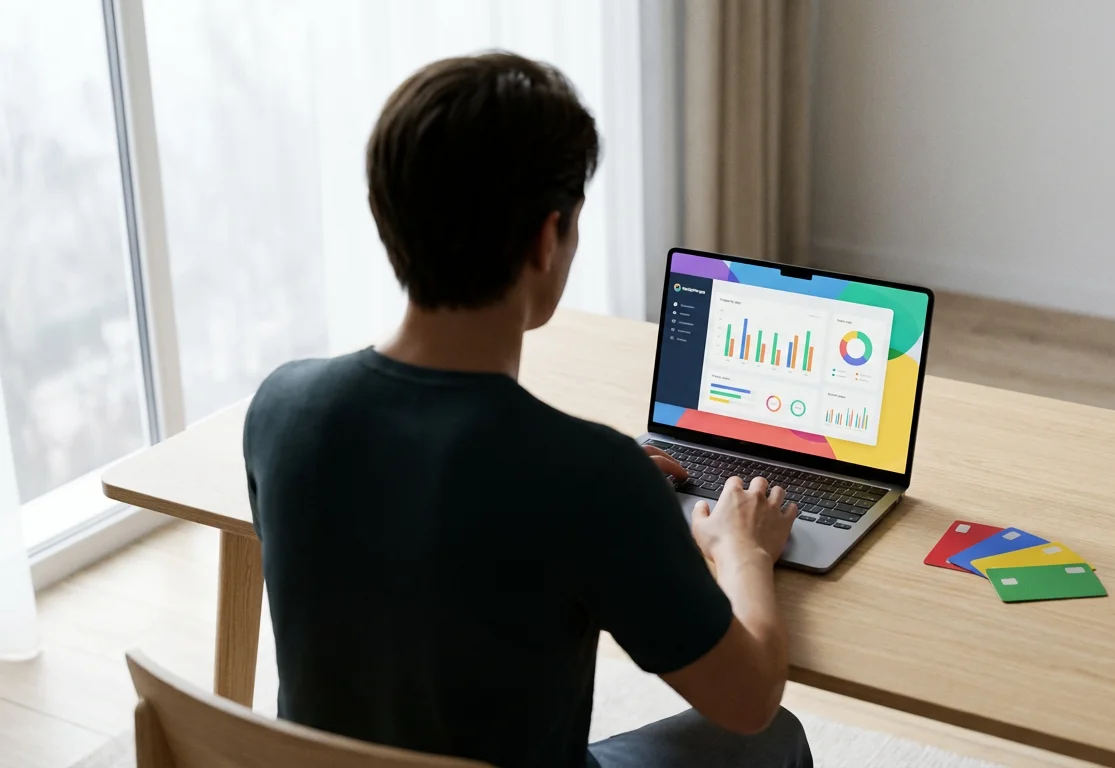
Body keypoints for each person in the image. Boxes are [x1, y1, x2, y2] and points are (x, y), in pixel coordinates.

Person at [242, 52, 813, 768]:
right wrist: (744, 550)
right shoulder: (589, 478)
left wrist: (597, 487)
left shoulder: (281, 408)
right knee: (779, 735)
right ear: (548, 238)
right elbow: (749, 698)